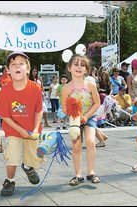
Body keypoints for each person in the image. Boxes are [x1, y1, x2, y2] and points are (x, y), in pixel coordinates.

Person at [0, 51, 44, 196]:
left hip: (32, 130)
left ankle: (28, 167)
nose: (17, 66)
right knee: (12, 158)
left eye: (21, 63)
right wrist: (20, 130)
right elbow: (5, 116)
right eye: (13, 64)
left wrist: (35, 128)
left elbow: (38, 111)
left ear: (27, 68)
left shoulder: (35, 88)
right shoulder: (5, 90)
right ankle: (9, 180)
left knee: (35, 158)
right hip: (13, 130)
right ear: (8, 70)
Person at [61, 54, 101, 185]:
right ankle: (78, 174)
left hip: (89, 118)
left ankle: (91, 172)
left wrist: (87, 116)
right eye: (76, 64)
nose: (79, 67)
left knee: (90, 142)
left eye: (82, 65)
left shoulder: (90, 85)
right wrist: (74, 113)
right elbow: (64, 108)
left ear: (86, 70)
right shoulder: (66, 88)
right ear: (69, 68)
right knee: (76, 146)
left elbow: (97, 103)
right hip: (74, 120)